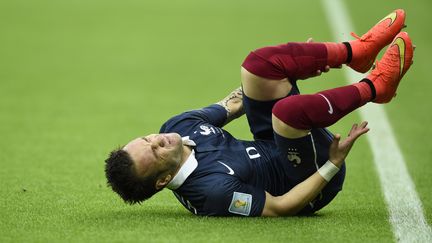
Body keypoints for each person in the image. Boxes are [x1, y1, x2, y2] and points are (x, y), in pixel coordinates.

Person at [105, 9, 414, 216]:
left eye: (147, 138)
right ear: (163, 180)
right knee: (287, 112)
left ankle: (354, 53)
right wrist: (332, 165)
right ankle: (375, 88)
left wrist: (293, 69)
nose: (158, 139)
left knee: (256, 66)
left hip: (273, 140)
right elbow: (280, 207)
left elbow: (235, 102)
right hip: (307, 179)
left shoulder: (178, 126)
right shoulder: (211, 192)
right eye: (156, 151)